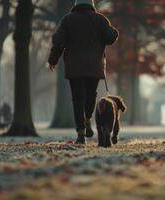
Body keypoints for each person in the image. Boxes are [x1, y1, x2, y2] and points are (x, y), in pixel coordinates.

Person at [47, 0, 119, 145]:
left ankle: (80, 134)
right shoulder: (100, 19)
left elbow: (58, 40)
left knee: (77, 98)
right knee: (91, 95)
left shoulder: (67, 19)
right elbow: (111, 36)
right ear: (91, 4)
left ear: (76, 4)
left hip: (75, 66)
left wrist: (53, 60)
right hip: (94, 66)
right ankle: (87, 119)